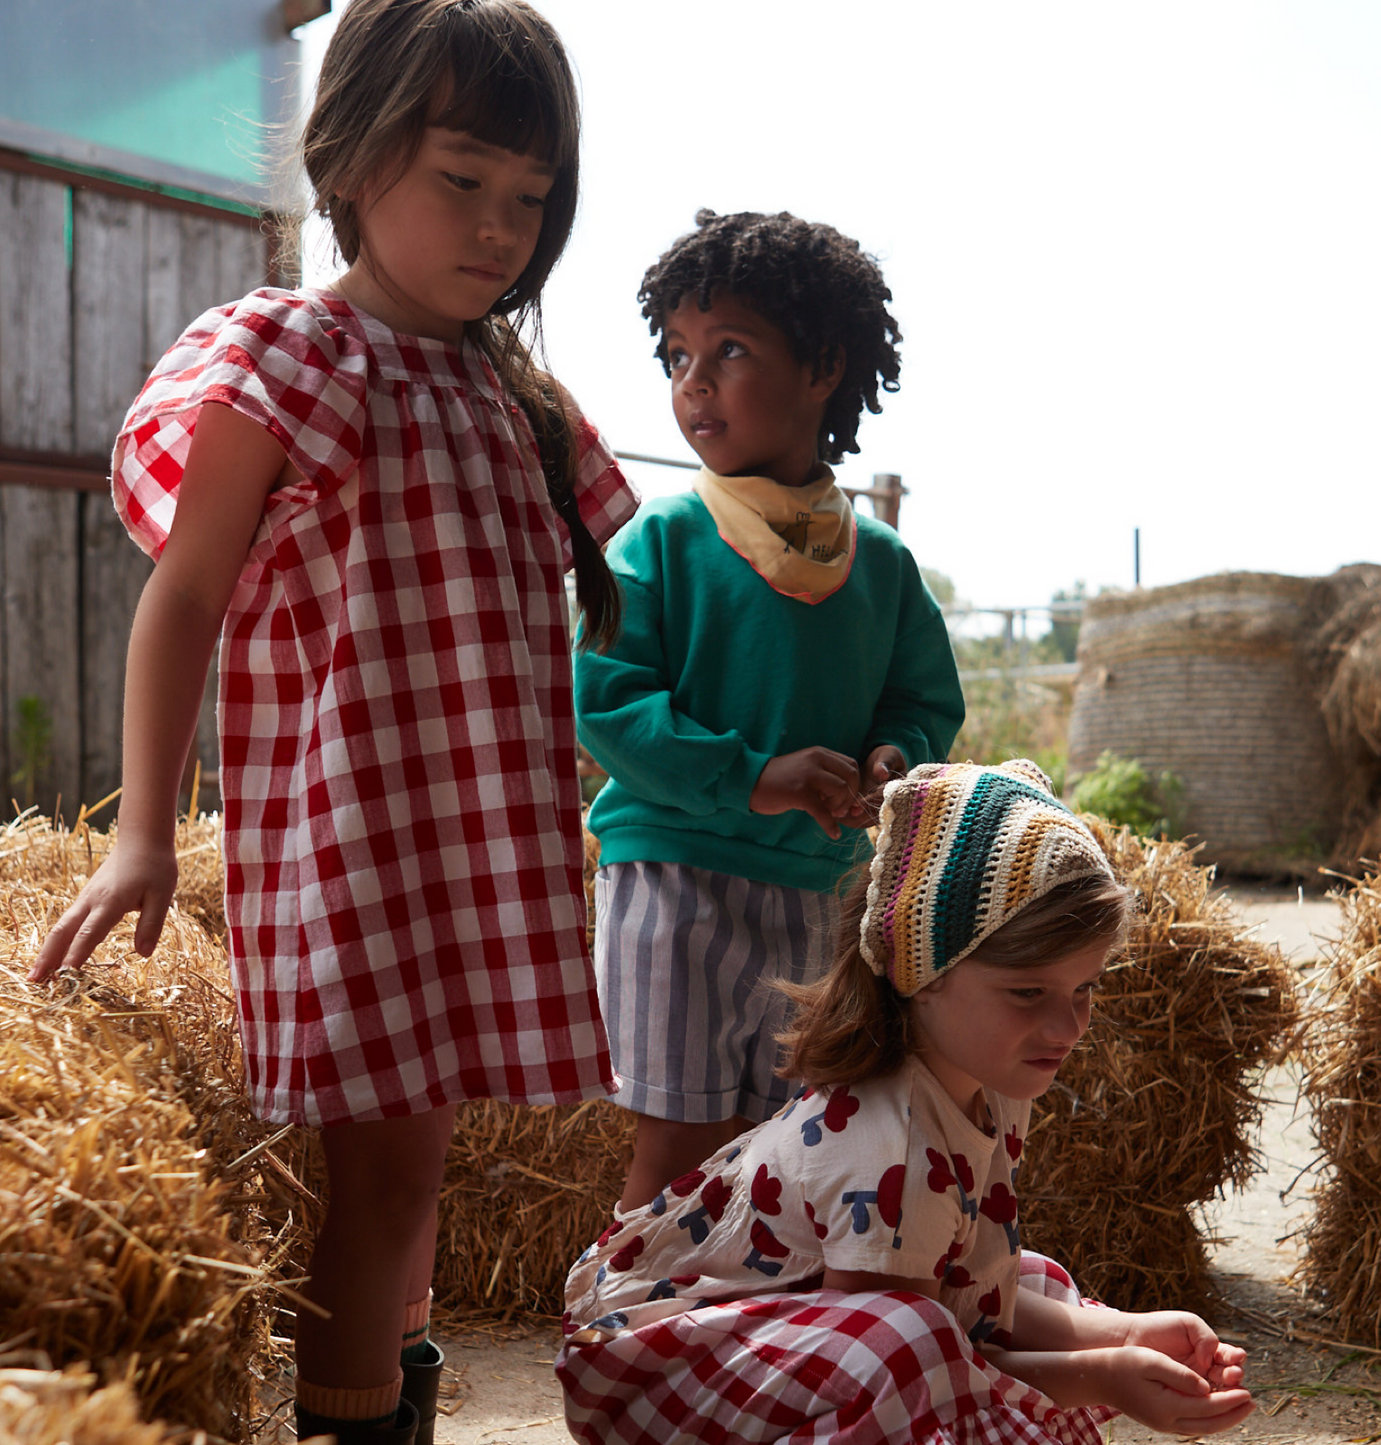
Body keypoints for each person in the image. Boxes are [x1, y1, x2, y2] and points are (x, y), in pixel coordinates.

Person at [28, 3, 638, 1442]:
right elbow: (185, 597)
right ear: (352, 157)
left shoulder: (516, 392)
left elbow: (581, 614)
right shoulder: (287, 352)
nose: (502, 227)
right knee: (383, 1176)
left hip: (482, 833)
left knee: (416, 1170)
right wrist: (141, 838)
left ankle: (387, 1385)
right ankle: (357, 1421)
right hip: (357, 833)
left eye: (532, 198)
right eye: (465, 181)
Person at [556, 759, 1255, 1444]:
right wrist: (1106, 1376)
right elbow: (921, 1365)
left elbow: (968, 1299)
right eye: (1027, 992)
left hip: (788, 1347)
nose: (1066, 1026)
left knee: (1025, 1274)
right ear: (923, 974)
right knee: (903, 1335)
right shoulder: (888, 1150)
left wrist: (1127, 1332)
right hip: (650, 1371)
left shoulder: (989, 1075)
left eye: (1083, 989)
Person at [575, 209, 966, 1211]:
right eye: (675, 356)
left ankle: (744, 1349)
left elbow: (920, 697)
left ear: (823, 366)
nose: (691, 381)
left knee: (793, 1146)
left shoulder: (876, 563)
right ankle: (636, 1338)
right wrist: (753, 774)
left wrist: (891, 758)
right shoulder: (658, 540)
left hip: (817, 892)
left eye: (729, 349)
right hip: (673, 886)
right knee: (680, 1147)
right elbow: (602, 697)